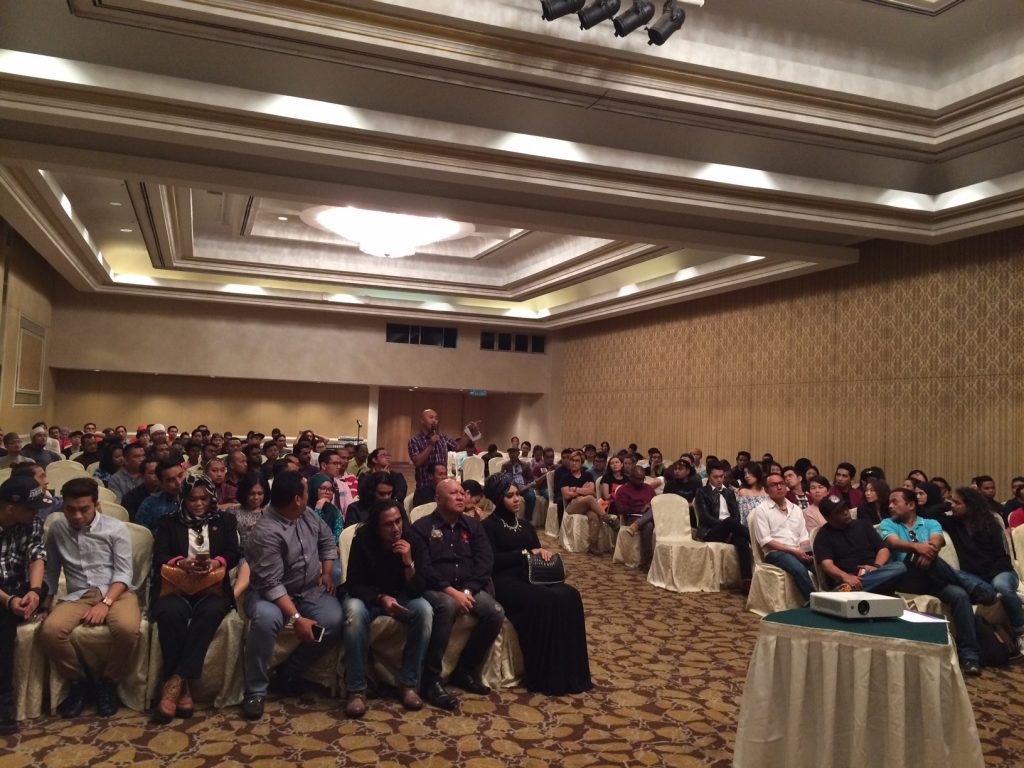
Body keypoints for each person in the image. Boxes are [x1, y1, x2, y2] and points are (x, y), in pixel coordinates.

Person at [241, 471, 344, 720]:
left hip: (309, 589)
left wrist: (326, 573)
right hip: (269, 595)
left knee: (333, 621)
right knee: (266, 620)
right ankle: (255, 690)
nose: (310, 495)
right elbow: (271, 584)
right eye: (306, 491)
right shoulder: (266, 531)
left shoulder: (305, 514)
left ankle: (290, 670)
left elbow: (327, 542)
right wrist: (297, 618)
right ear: (297, 499)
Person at [481, 474, 592, 695]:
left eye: (517, 494)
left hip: (530, 576)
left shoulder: (525, 525)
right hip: (503, 581)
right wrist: (523, 554)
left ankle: (571, 673)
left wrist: (542, 553)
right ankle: (546, 676)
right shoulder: (487, 527)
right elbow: (491, 561)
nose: (517, 499)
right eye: (509, 496)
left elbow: (535, 551)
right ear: (497, 498)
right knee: (548, 600)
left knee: (570, 595)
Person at [40, 478, 141, 718]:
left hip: (116, 592)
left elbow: (124, 573)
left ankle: (108, 682)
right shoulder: (57, 528)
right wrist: (45, 603)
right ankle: (79, 682)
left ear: (97, 505)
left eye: (84, 509)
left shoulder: (115, 528)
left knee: (127, 629)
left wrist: (105, 604)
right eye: (70, 509)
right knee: (50, 631)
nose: (76, 516)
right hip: (79, 594)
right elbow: (51, 570)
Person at [150, 475, 241, 723]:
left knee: (210, 612)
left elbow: (234, 552)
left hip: (212, 587)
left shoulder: (224, 520)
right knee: (170, 613)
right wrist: (180, 562)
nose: (199, 504)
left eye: (204, 498)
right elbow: (159, 556)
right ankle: (183, 689)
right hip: (176, 586)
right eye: (192, 499)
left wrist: (216, 562)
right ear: (183, 499)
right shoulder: (169, 522)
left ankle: (175, 682)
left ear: (212, 498)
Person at [409, 478, 504, 711]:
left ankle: (465, 670)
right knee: (447, 606)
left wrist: (468, 590)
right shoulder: (421, 528)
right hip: (436, 588)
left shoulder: (473, 526)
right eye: (454, 493)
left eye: (462, 493)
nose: (461, 497)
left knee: (495, 612)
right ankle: (431, 679)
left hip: (468, 586)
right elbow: (424, 568)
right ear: (438, 499)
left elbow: (485, 561)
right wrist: (452, 593)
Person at [342, 500, 431, 717]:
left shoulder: (413, 539)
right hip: (369, 597)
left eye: (398, 521)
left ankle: (409, 684)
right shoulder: (363, 539)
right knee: (354, 611)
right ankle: (356, 689)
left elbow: (419, 588)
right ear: (376, 526)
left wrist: (408, 563)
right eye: (388, 524)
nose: (395, 528)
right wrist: (381, 598)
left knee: (424, 610)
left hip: (403, 595)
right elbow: (354, 584)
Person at [881, 488, 983, 676]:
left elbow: (937, 540)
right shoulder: (888, 523)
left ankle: (970, 656)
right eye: (889, 502)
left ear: (911, 505)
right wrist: (918, 548)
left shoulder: (930, 523)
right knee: (914, 558)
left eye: (895, 502)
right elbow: (893, 543)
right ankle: (976, 588)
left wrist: (929, 552)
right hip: (906, 579)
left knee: (959, 595)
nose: (890, 506)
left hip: (933, 579)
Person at [923, 487, 1024, 654]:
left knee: (1001, 586)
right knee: (953, 573)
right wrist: (945, 505)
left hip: (1000, 572)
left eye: (957, 503)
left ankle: (1020, 632)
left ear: (970, 505)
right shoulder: (954, 524)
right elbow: (927, 515)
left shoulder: (990, 524)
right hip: (974, 577)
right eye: (952, 502)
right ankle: (1003, 594)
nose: (953, 505)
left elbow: (1003, 557)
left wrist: (989, 576)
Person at [0, 476, 49, 734]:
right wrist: (8, 601)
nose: (36, 513)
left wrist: (35, 591)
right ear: (10, 509)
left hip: (20, 586)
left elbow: (37, 555)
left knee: (44, 588)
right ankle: (4, 698)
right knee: (3, 620)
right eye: (31, 509)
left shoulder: (32, 521)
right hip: (3, 594)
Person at [813, 496, 906, 593]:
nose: (845, 512)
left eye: (845, 508)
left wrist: (876, 567)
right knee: (893, 574)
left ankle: (847, 590)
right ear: (827, 517)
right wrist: (846, 577)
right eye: (839, 511)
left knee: (899, 567)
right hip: (847, 578)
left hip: (873, 573)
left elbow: (883, 549)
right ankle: (850, 589)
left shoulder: (863, 525)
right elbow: (827, 565)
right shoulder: (823, 536)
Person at [750, 472, 814, 602]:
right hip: (776, 553)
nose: (779, 487)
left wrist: (806, 551)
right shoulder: (761, 510)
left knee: (823, 564)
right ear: (766, 490)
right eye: (774, 485)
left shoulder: (795, 509)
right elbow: (765, 540)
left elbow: (803, 536)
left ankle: (835, 597)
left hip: (798, 551)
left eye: (781, 484)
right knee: (799, 569)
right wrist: (794, 552)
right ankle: (814, 602)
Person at [692, 462, 753, 589]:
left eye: (721, 476)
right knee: (730, 521)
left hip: (730, 529)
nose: (719, 479)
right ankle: (755, 539)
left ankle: (747, 581)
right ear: (709, 476)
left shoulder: (729, 492)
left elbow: (736, 514)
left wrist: (730, 527)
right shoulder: (702, 492)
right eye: (716, 477)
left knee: (742, 540)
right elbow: (705, 517)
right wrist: (726, 525)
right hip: (711, 531)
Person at [408, 409, 481, 507]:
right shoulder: (414, 441)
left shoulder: (442, 438)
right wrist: (431, 445)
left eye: (436, 418)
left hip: (442, 489)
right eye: (431, 417)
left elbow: (458, 446)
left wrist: (469, 432)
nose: (434, 420)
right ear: (422, 420)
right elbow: (417, 462)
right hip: (424, 489)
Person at [560, 450, 620, 553]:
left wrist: (575, 489)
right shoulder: (565, 477)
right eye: (572, 460)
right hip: (572, 506)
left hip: (587, 505)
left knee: (594, 516)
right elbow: (566, 495)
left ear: (581, 463)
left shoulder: (587, 475)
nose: (573, 463)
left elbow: (592, 492)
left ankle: (593, 544)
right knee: (589, 498)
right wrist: (583, 491)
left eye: (577, 461)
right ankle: (607, 518)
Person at [618, 465, 658, 570]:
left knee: (655, 508)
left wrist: (649, 506)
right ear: (631, 477)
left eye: (642, 479)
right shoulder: (623, 490)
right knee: (648, 525)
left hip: (651, 516)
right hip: (632, 517)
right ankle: (646, 562)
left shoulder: (648, 488)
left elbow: (656, 503)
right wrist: (640, 510)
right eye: (638, 479)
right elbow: (621, 509)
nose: (641, 481)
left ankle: (637, 525)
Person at [136, 459, 186, 535]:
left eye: (180, 476)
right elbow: (141, 534)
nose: (178, 482)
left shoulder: (198, 497)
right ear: (161, 483)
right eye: (171, 480)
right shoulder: (150, 504)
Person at [498, 446, 540, 523]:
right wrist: (512, 487)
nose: (512, 454)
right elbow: (503, 479)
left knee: (531, 496)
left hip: (524, 487)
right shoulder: (505, 466)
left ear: (518, 453)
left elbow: (530, 479)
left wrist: (525, 487)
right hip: (511, 487)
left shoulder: (525, 465)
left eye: (514, 452)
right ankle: (508, 519)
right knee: (504, 496)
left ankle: (527, 521)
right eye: (510, 453)